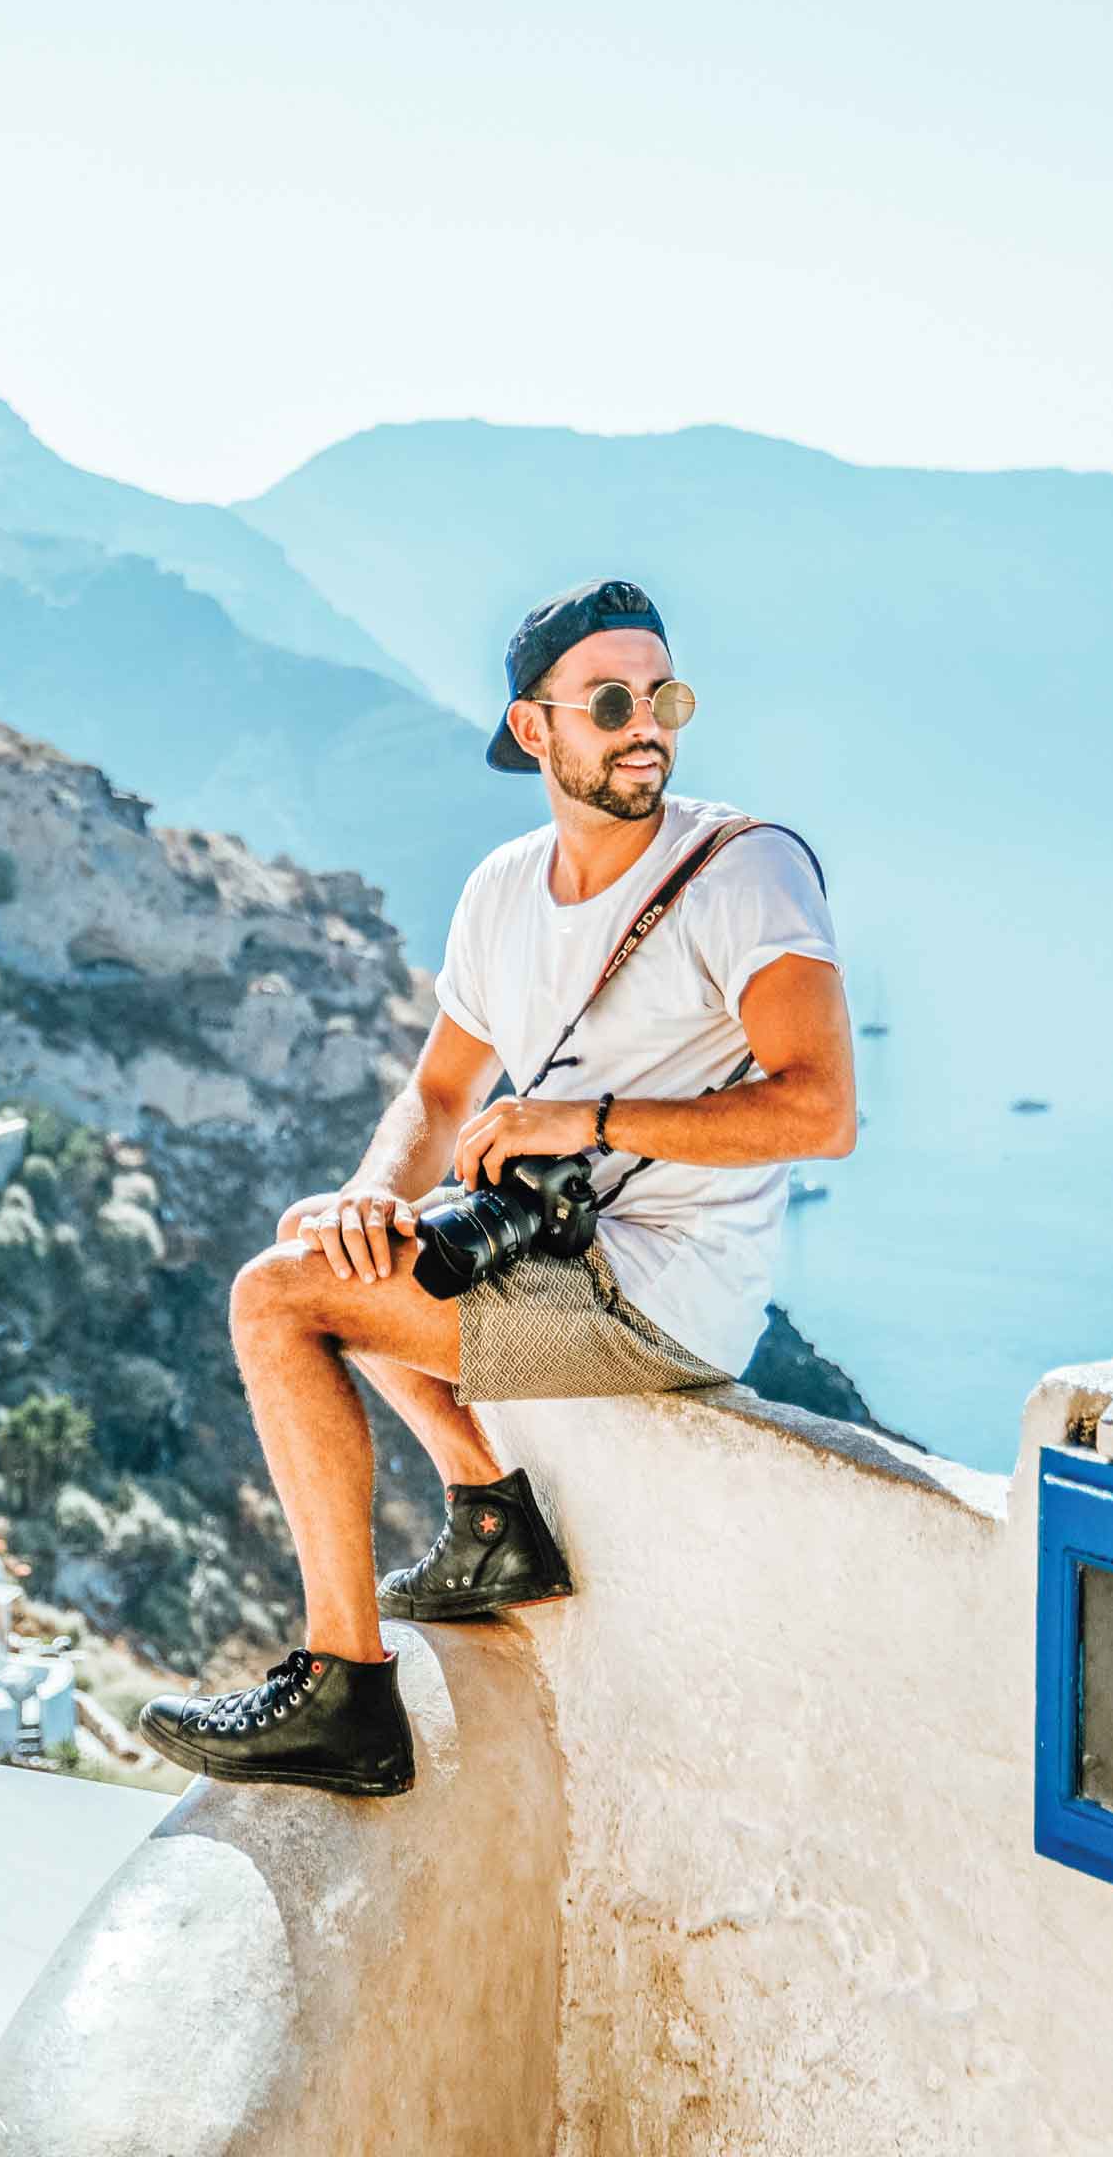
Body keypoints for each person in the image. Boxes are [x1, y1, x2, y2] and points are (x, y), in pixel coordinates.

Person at [138, 579, 855, 1794]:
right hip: (555, 1254)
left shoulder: (747, 871)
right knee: (332, 1248)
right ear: (537, 730)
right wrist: (370, 1192)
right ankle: (487, 1518)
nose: (651, 728)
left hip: (661, 1290)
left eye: (666, 697)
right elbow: (435, 1097)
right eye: (614, 700)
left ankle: (345, 1690)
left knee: (276, 1301)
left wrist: (583, 1115)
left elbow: (820, 1109)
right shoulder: (502, 891)